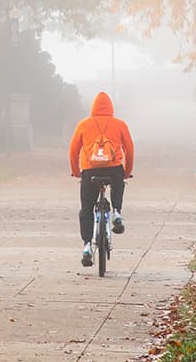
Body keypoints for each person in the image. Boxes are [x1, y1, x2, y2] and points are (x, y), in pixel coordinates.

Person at [69, 91, 133, 267]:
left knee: (86, 208)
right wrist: (127, 171)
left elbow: (73, 150)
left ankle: (87, 247)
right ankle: (117, 212)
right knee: (118, 184)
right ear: (111, 107)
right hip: (114, 169)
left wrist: (76, 171)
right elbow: (129, 149)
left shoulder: (84, 124)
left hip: (90, 171)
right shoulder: (119, 124)